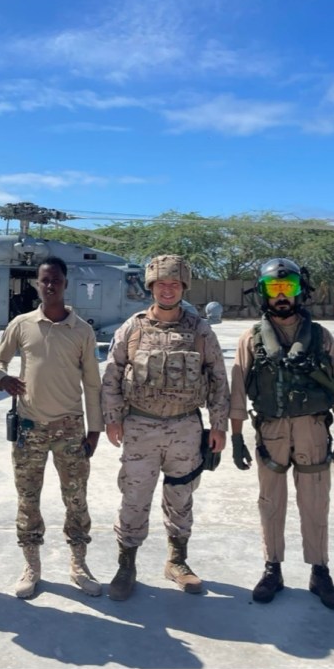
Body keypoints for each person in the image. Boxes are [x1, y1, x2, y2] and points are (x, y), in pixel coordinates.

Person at [229, 258, 334, 611]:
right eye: (275, 288)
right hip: (270, 430)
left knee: (315, 502)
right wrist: (236, 438)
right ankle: (272, 568)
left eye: (289, 288)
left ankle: (320, 571)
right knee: (270, 502)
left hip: (312, 429)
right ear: (263, 293)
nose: (282, 296)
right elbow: (237, 392)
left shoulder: (321, 337)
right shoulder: (250, 339)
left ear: (301, 291)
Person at [102, 254, 229, 600]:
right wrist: (112, 418)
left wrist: (219, 425)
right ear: (151, 287)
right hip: (140, 426)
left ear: (183, 287)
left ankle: (177, 561)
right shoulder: (132, 328)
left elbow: (218, 378)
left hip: (185, 427)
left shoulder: (200, 330)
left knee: (181, 495)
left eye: (174, 284)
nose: (168, 290)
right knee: (134, 497)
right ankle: (126, 565)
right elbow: (112, 375)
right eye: (161, 284)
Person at [0, 257, 104, 599]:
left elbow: (92, 383)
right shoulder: (22, 324)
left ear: (65, 283)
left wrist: (95, 429)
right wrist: (2, 378)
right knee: (27, 499)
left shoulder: (81, 330)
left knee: (76, 499)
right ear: (37, 284)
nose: (50, 285)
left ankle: (79, 564)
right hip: (30, 428)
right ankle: (31, 566)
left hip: (70, 428)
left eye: (55, 280)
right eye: (44, 280)